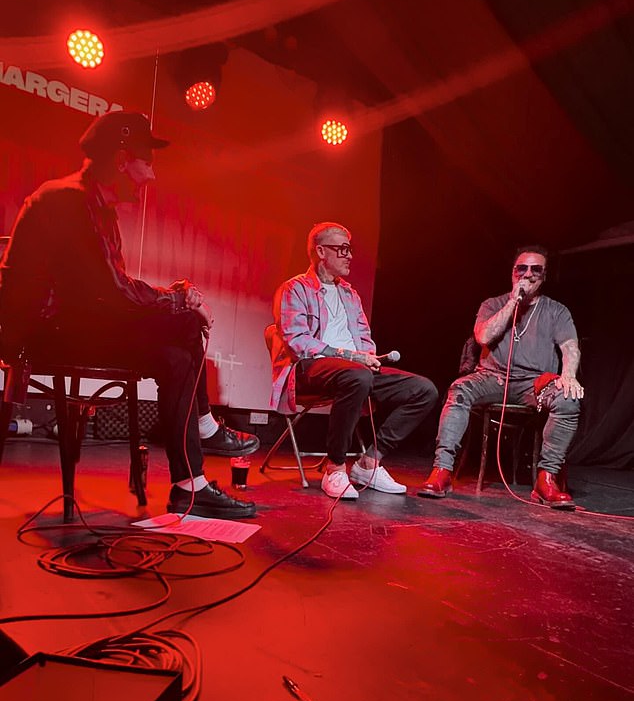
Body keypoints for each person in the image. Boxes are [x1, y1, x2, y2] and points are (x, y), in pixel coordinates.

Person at [0, 110, 256, 519]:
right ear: (121, 161)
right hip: (47, 332)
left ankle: (190, 485)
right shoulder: (69, 200)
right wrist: (178, 301)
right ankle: (206, 430)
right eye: (147, 163)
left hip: (77, 325)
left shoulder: (96, 208)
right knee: (188, 322)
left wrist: (174, 296)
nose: (150, 177)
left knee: (175, 357)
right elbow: (109, 293)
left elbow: (110, 289)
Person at [271, 222, 438, 499]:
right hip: (310, 368)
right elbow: (298, 341)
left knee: (423, 390)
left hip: (354, 370)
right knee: (356, 375)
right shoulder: (295, 289)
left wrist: (368, 357)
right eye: (343, 249)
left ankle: (369, 463)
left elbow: (363, 337)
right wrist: (349, 356)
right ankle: (335, 469)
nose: (350, 256)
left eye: (351, 249)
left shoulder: (350, 294)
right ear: (322, 251)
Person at [418, 245, 583, 509]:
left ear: (544, 275)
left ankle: (546, 479)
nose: (527, 275)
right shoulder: (492, 304)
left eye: (535, 270)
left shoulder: (557, 311)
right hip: (491, 378)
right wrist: (513, 302)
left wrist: (569, 376)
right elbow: (483, 336)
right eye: (522, 268)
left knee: (568, 399)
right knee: (459, 390)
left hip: (534, 384)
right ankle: (442, 471)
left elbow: (570, 347)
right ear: (513, 272)